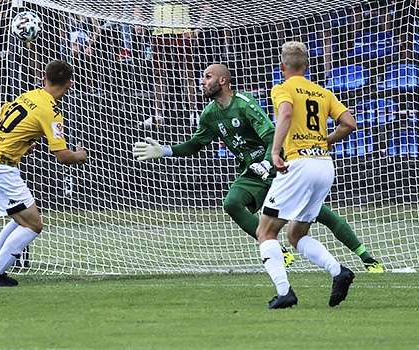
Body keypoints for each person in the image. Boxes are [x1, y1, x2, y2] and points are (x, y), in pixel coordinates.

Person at [132, 63, 383, 274]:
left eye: (207, 77)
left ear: (222, 80)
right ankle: (278, 250)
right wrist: (165, 151)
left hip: (276, 164)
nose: (202, 81)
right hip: (252, 172)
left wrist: (267, 161)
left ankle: (367, 258)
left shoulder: (244, 103)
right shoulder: (209, 114)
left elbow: (270, 134)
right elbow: (196, 143)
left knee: (320, 214)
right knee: (231, 203)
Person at [259, 41, 356, 309]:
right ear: (308, 66)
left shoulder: (282, 88)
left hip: (298, 164)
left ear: (282, 66)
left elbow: (286, 113)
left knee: (266, 231)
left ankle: (284, 291)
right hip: (324, 165)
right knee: (296, 234)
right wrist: (326, 140)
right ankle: (339, 272)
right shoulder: (322, 92)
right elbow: (349, 123)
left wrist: (275, 151)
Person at [0, 60, 88, 287]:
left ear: (44, 79)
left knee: (22, 220)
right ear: (69, 84)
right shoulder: (51, 111)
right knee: (34, 225)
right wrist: (81, 156)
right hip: (1, 169)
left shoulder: (29, 94)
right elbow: (63, 157)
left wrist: (22, 141)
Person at [136, 1, 201, 127]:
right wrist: (138, 23)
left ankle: (194, 114)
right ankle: (158, 115)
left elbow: (205, 6)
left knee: (188, 74)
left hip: (183, 33)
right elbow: (139, 4)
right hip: (159, 33)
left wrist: (197, 28)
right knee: (159, 74)